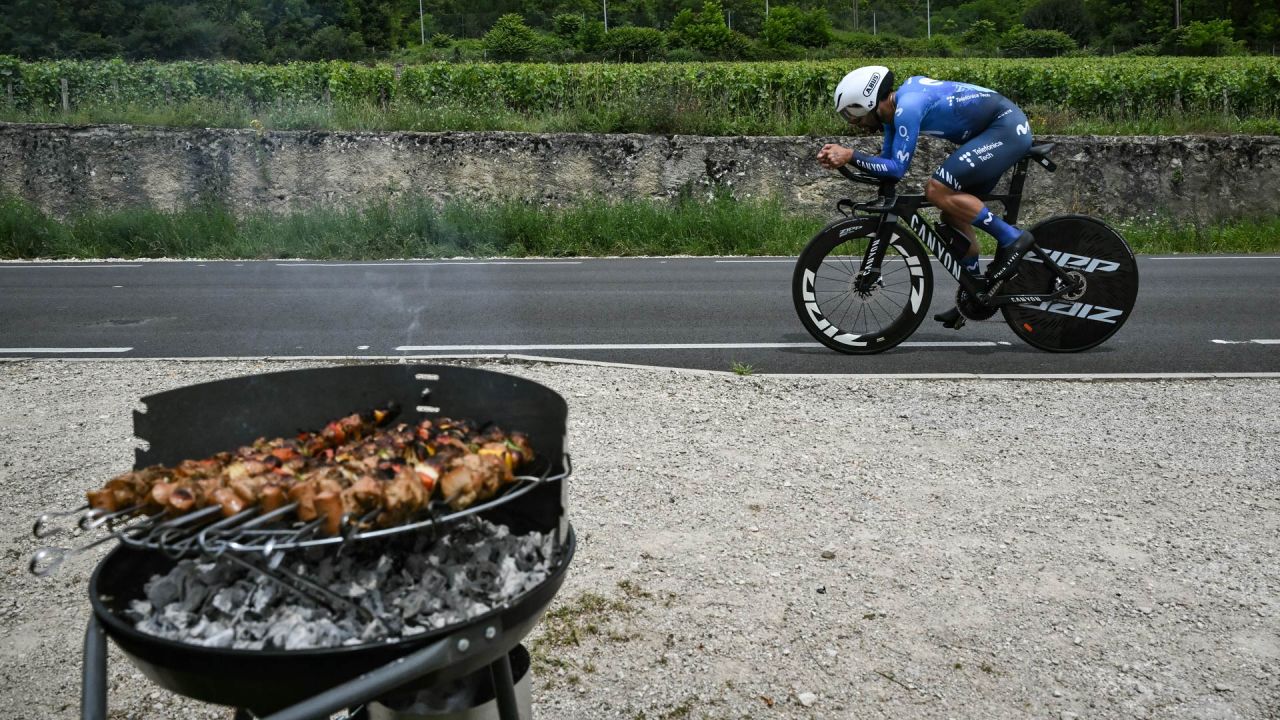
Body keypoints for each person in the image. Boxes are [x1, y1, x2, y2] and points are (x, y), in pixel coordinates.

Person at [816, 66, 1036, 327]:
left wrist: (851, 156)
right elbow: (887, 165)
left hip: (1006, 128)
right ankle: (977, 294)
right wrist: (844, 161)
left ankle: (1013, 239)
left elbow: (897, 169)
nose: (854, 122)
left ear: (869, 101)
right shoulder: (892, 117)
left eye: (853, 114)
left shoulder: (907, 107)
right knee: (953, 212)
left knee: (937, 190)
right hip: (993, 131)